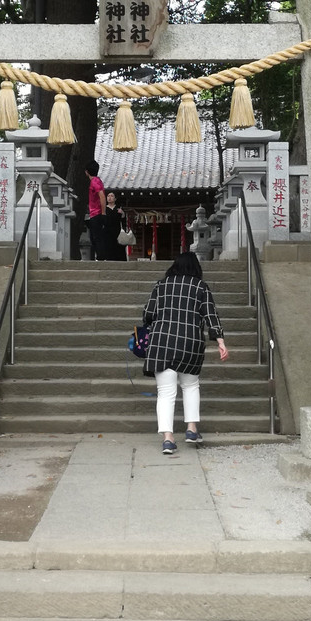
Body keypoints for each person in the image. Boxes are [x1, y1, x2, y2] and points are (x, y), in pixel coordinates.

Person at [142, 252, 228, 455]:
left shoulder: (160, 286)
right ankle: (191, 430)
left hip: (162, 343)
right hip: (190, 343)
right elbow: (210, 315)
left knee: (165, 393)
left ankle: (168, 439)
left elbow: (148, 314)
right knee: (190, 386)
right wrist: (220, 341)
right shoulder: (200, 287)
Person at [85, 160, 107, 260]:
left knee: (96, 237)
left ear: (87, 172)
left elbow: (102, 196)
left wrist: (103, 213)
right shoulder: (97, 181)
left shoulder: (94, 181)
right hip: (95, 213)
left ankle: (101, 257)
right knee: (95, 237)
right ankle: (99, 256)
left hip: (96, 213)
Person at [104, 192, 128, 261]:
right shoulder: (104, 209)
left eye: (111, 196)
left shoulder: (118, 209)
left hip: (117, 231)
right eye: (108, 196)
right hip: (107, 232)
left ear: (115, 199)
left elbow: (123, 220)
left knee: (119, 247)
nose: (109, 197)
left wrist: (123, 213)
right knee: (108, 247)